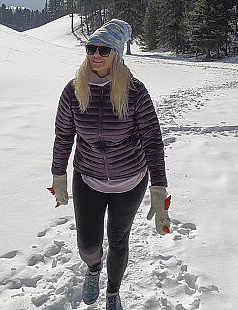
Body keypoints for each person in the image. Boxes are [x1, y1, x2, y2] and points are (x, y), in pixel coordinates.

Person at [49, 19, 171, 310]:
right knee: (88, 245)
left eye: (104, 50)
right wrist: (59, 174)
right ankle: (93, 269)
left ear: (117, 54)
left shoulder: (135, 92)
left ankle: (113, 292)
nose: (96, 55)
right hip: (88, 178)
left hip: (129, 181)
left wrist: (159, 187)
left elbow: (152, 140)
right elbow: (64, 134)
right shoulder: (73, 90)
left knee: (118, 239)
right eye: (92, 48)